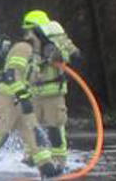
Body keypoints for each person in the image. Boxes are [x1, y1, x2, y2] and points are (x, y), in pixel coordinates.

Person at [0, 10, 61, 181]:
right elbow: (12, 74)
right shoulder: (22, 48)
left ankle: (46, 166)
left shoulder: (34, 53)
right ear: (37, 30)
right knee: (0, 133)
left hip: (22, 99)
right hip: (9, 97)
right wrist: (22, 95)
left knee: (32, 132)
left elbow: (29, 77)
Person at [29, 19, 79, 167]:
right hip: (35, 94)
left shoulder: (56, 37)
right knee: (32, 128)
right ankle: (34, 158)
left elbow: (70, 54)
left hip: (53, 93)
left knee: (55, 128)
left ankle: (59, 161)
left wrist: (56, 54)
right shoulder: (31, 43)